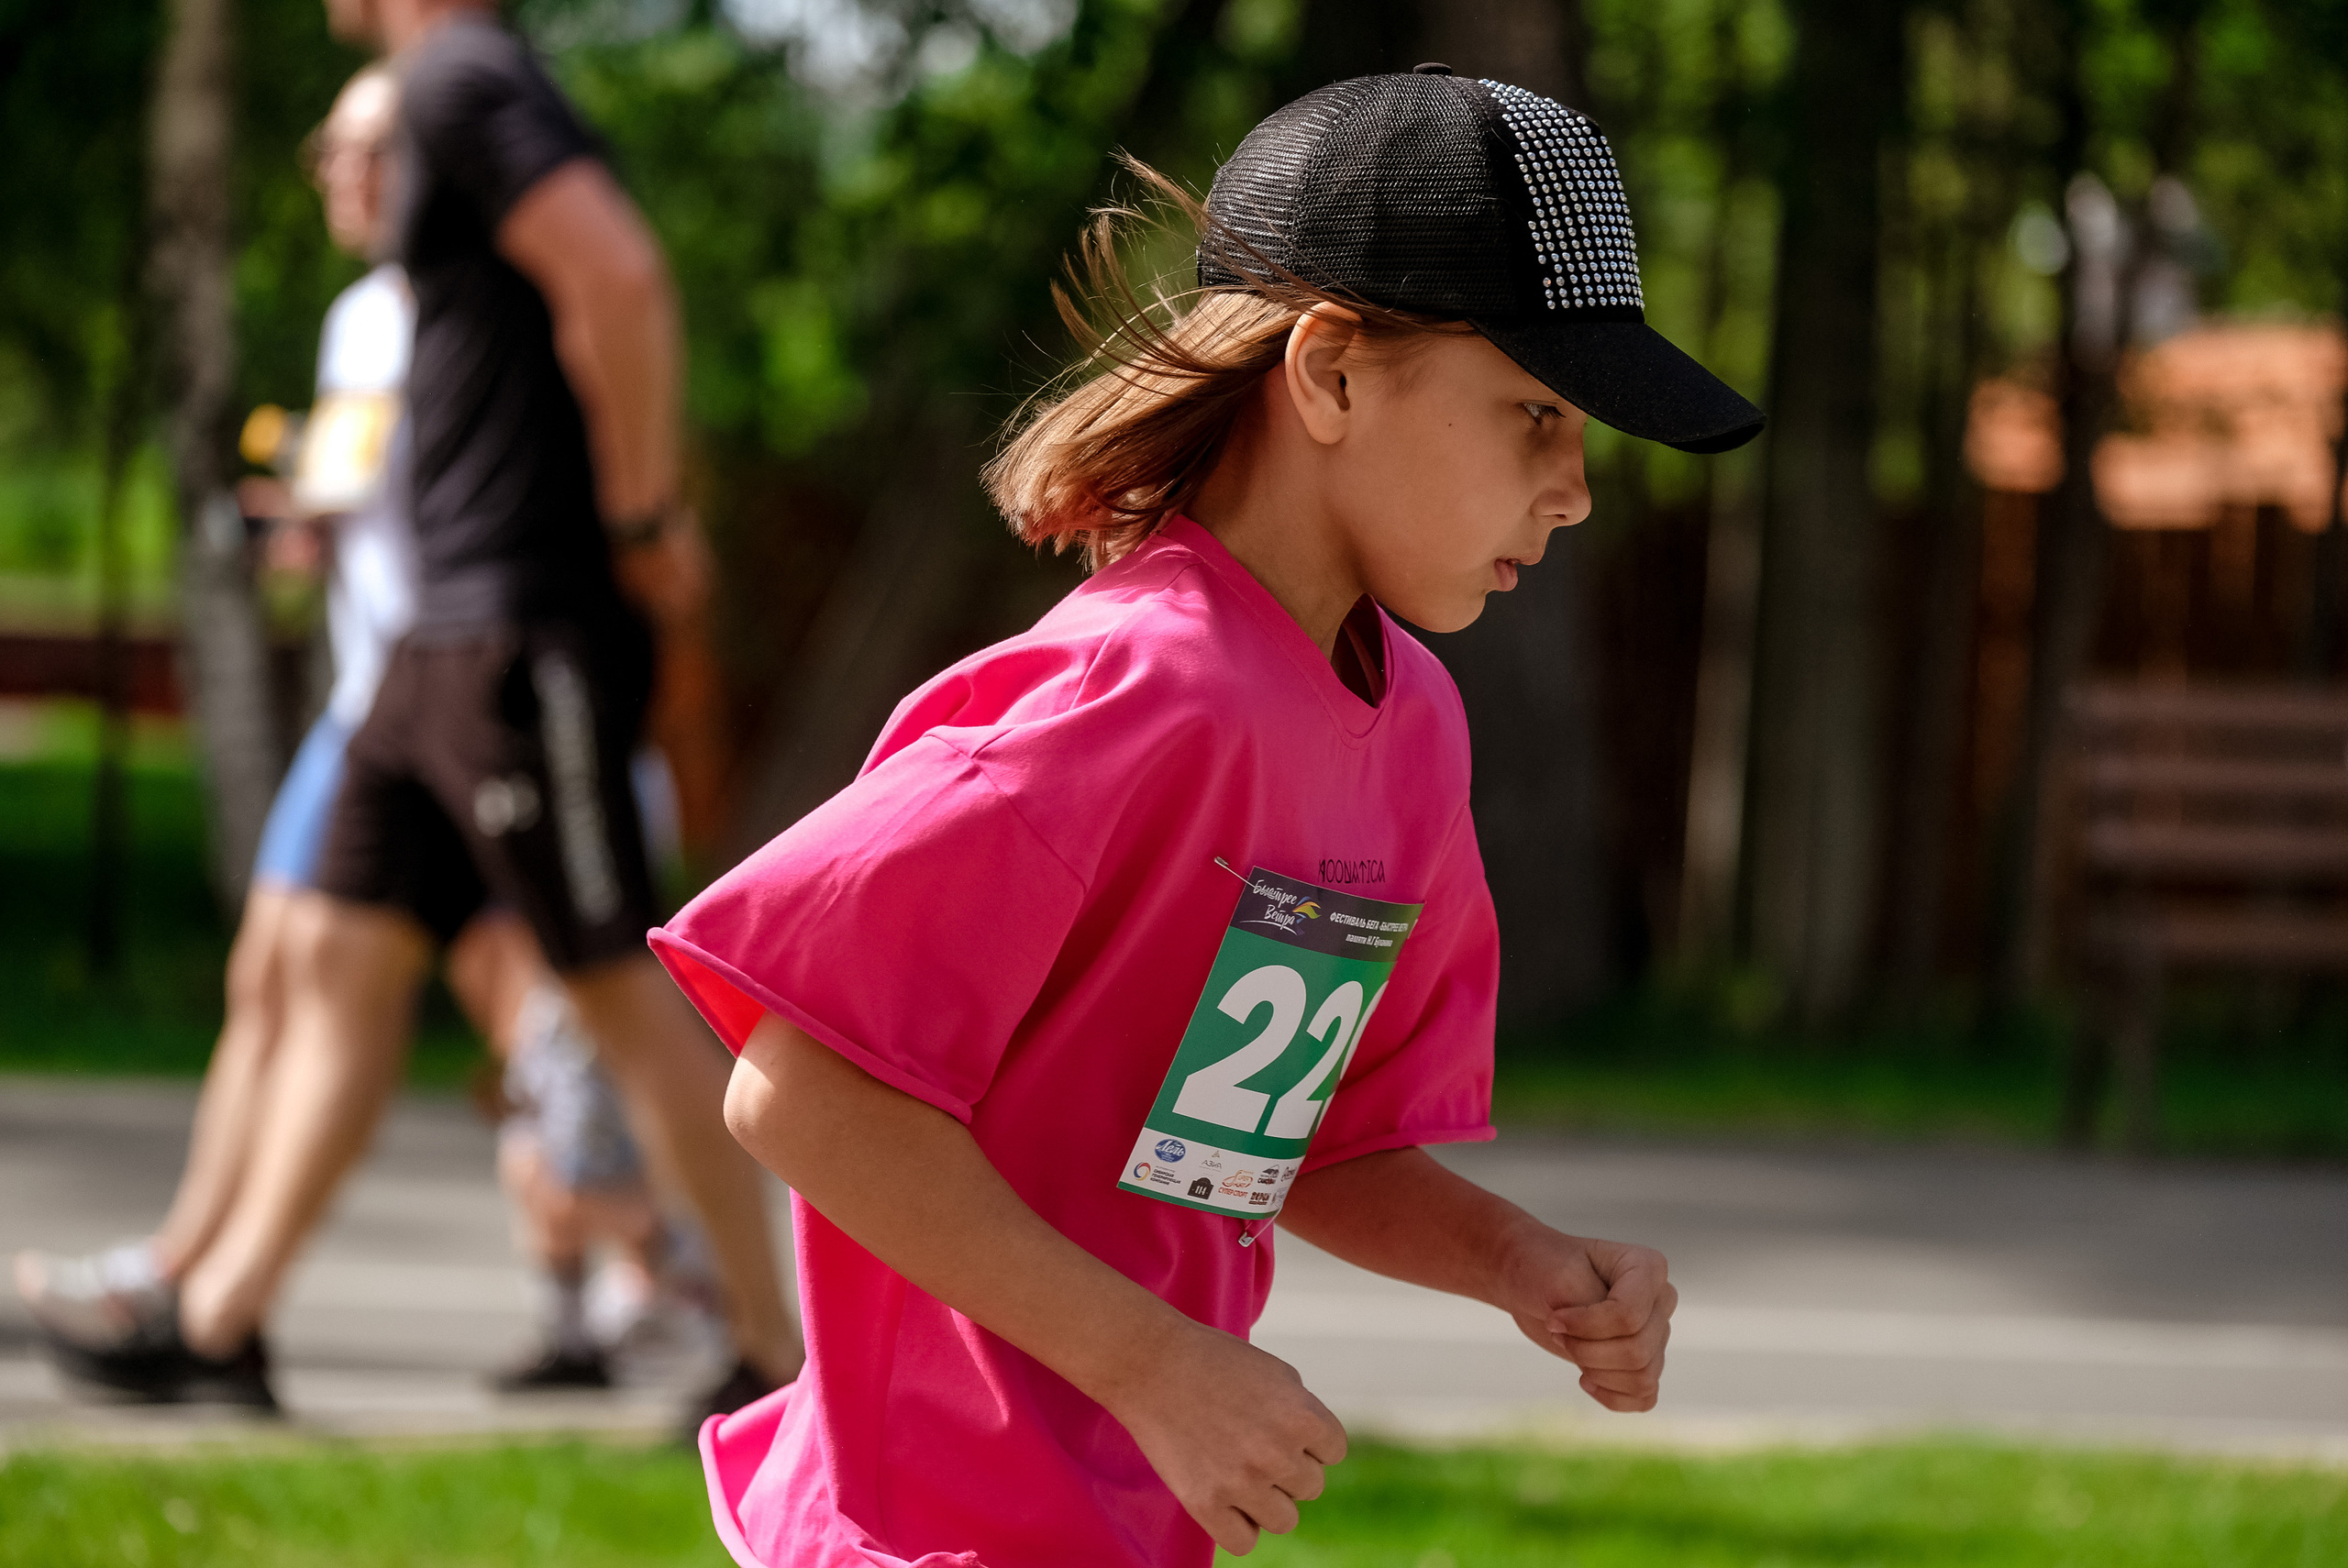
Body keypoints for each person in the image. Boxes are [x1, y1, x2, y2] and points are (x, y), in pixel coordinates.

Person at [654, 66, 1763, 1568]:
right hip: (923, 1534)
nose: (1572, 488)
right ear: (1330, 373)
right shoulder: (1134, 689)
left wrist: (1525, 1262)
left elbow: (1293, 1139)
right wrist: (1151, 1361)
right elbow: (802, 1087)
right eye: (1533, 411)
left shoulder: (1411, 728)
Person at [47, 0, 803, 1426]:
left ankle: (773, 1349)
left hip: (523, 630)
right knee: (329, 955)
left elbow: (622, 280)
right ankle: (221, 1318)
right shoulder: (439, 97)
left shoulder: (459, 75)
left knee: (609, 980)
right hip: (429, 645)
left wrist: (640, 517)